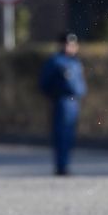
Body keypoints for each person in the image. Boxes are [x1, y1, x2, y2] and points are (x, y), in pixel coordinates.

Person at [39, 32, 87, 176]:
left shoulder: (76, 62)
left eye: (73, 44)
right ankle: (61, 166)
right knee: (61, 135)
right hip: (62, 102)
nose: (70, 47)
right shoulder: (55, 62)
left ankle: (66, 164)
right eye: (67, 44)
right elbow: (44, 83)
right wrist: (55, 94)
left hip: (74, 103)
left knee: (70, 136)